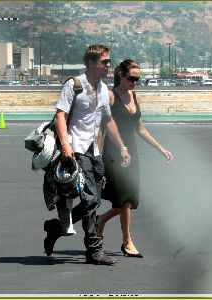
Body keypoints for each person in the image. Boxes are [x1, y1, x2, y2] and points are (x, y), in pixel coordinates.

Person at [43, 45, 131, 266]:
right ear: (91, 63)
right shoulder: (74, 85)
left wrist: (122, 147)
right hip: (76, 150)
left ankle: (56, 228)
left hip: (95, 152)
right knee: (91, 199)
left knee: (95, 199)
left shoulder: (102, 89)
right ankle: (94, 250)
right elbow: (60, 116)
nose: (108, 66)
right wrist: (65, 145)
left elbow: (107, 120)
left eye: (109, 62)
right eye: (104, 62)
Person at [97, 59, 173, 258]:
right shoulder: (111, 97)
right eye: (131, 78)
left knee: (128, 200)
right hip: (114, 153)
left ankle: (101, 220)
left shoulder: (134, 96)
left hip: (132, 152)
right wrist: (97, 153)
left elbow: (140, 129)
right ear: (121, 75)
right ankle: (127, 242)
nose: (135, 82)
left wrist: (160, 149)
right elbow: (102, 127)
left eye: (138, 79)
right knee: (125, 200)